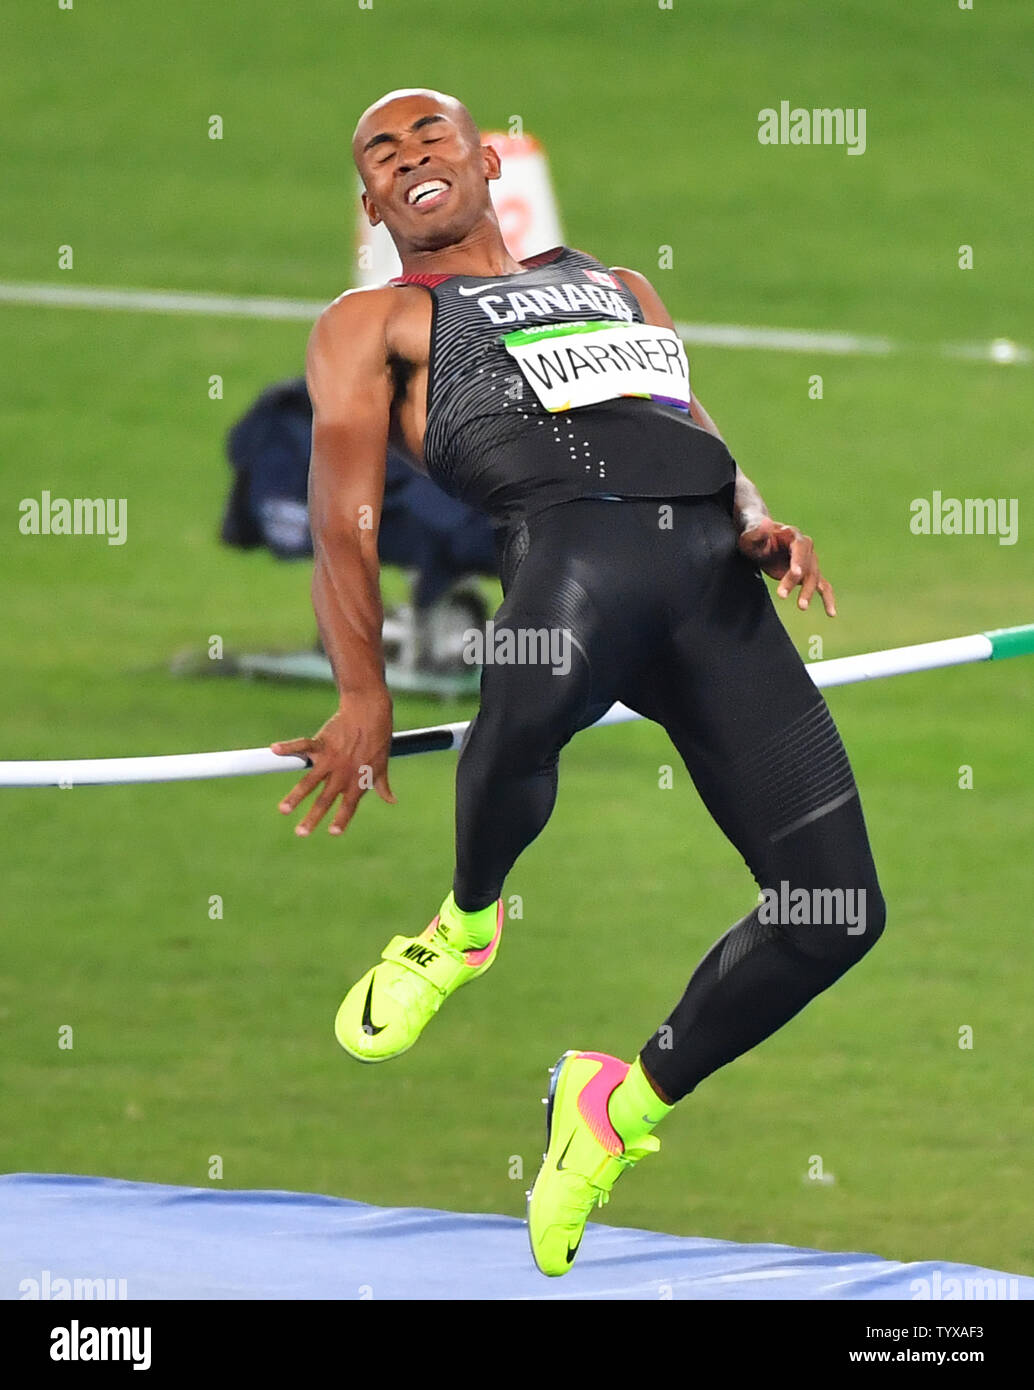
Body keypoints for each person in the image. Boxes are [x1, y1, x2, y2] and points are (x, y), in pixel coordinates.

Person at [271, 88, 886, 1277]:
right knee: (524, 693)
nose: (410, 159)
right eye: (383, 155)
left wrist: (757, 517)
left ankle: (619, 1106)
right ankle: (460, 928)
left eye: (429, 136)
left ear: (483, 159)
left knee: (835, 912)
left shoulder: (613, 282)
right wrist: (363, 694)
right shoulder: (373, 322)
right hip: (571, 552)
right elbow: (342, 516)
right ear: (371, 201)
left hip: (710, 583)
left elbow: (684, 418)